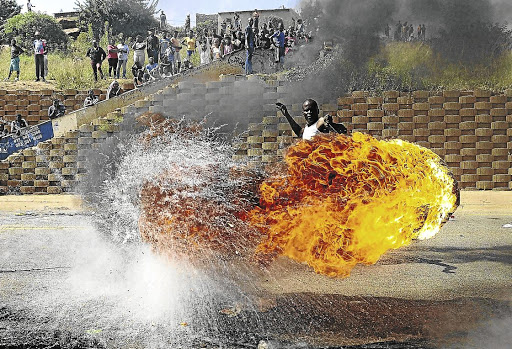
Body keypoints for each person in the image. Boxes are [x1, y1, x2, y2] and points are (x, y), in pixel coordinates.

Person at [276, 99, 347, 140]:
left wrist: (330, 124)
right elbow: (299, 132)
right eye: (307, 110)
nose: (309, 112)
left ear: (318, 111)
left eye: (312, 110)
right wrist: (287, 115)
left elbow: (324, 121)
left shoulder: (319, 122)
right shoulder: (307, 129)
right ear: (303, 113)